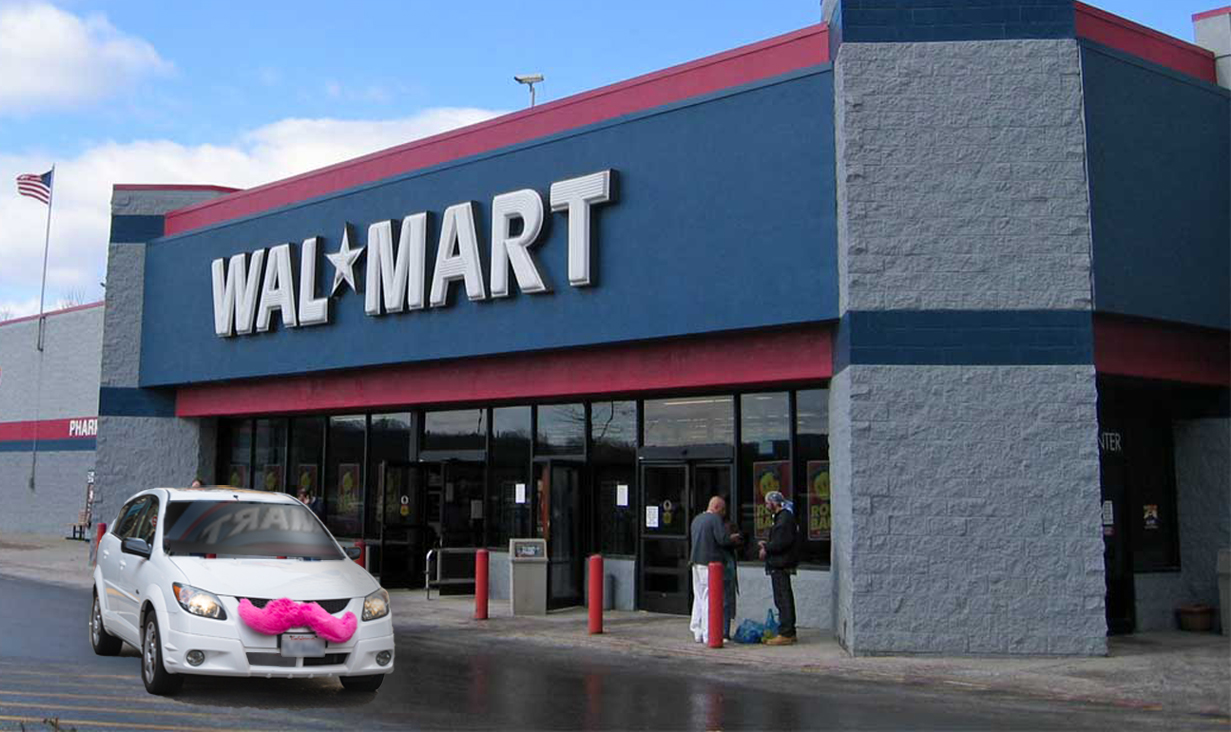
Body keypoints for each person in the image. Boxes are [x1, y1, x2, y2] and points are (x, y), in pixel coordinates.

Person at [688, 496, 741, 644]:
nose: (724, 514)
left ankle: (696, 630)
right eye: (723, 510)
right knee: (708, 598)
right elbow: (722, 539)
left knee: (698, 597)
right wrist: (733, 538)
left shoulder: (697, 519)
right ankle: (708, 633)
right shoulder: (715, 520)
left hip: (695, 561)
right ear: (717, 508)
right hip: (710, 563)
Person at [758, 490, 798, 645]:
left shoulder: (784, 519)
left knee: (783, 598)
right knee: (781, 597)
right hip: (779, 563)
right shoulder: (782, 518)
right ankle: (788, 630)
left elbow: (781, 542)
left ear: (774, 503)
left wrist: (766, 548)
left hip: (781, 564)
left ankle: (786, 632)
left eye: (768, 503)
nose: (766, 506)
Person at [722, 518, 743, 640]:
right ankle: (724, 631)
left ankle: (723, 631)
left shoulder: (719, 525)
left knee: (724, 602)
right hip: (726, 568)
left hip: (724, 568)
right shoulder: (720, 527)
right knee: (726, 602)